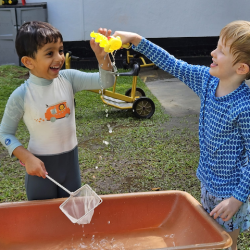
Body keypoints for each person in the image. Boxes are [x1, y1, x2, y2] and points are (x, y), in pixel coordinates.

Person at [113, 20, 250, 250]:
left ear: (241, 69)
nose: (212, 52)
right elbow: (172, 64)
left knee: (226, 244)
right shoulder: (207, 81)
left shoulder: (244, 108)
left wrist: (236, 199)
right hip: (207, 183)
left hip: (230, 193)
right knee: (210, 239)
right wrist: (137, 40)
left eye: (221, 51)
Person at [0, 21, 115, 201]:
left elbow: (106, 82)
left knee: (72, 216)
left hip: (70, 163)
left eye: (60, 50)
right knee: (43, 220)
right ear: (28, 61)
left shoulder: (68, 79)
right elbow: (5, 133)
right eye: (49, 53)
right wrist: (27, 157)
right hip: (41, 169)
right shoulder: (21, 95)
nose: (59, 58)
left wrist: (103, 57)